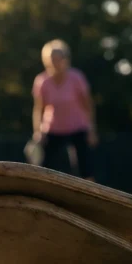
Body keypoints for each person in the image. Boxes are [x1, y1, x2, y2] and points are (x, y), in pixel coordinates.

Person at [32, 39, 98, 181]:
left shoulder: (76, 78)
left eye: (58, 59)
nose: (55, 63)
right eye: (51, 59)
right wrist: (38, 131)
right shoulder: (42, 81)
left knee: (85, 167)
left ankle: (89, 199)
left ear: (65, 59)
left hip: (78, 128)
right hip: (53, 129)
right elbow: (39, 109)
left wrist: (91, 129)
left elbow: (88, 105)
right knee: (44, 167)